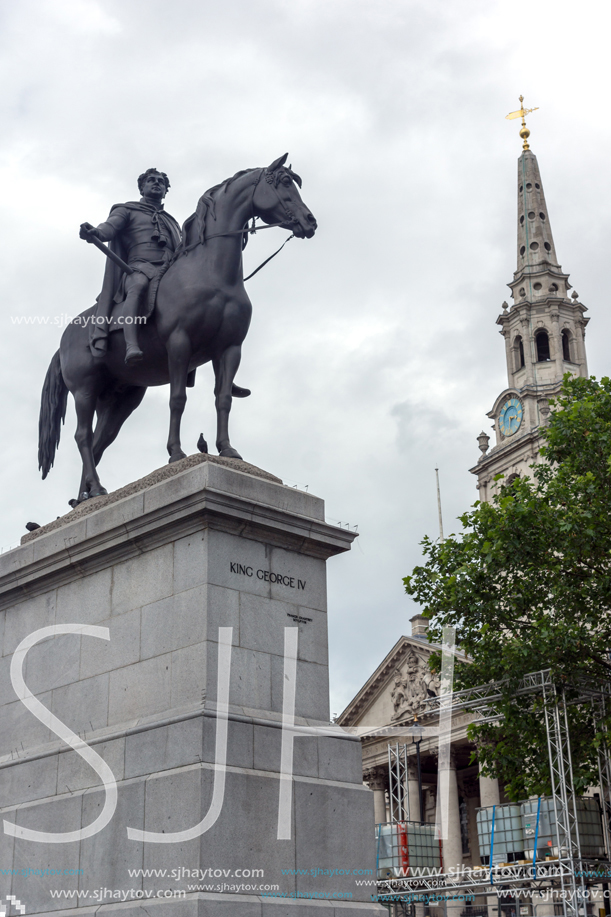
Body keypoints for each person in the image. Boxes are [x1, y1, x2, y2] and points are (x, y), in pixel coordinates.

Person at [80, 168, 181, 364]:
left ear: (166, 190)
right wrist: (96, 232)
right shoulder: (126, 210)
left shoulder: (172, 222)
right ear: (142, 187)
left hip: (170, 269)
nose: (156, 183)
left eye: (161, 182)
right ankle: (131, 345)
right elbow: (109, 228)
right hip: (139, 267)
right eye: (151, 180)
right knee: (138, 285)